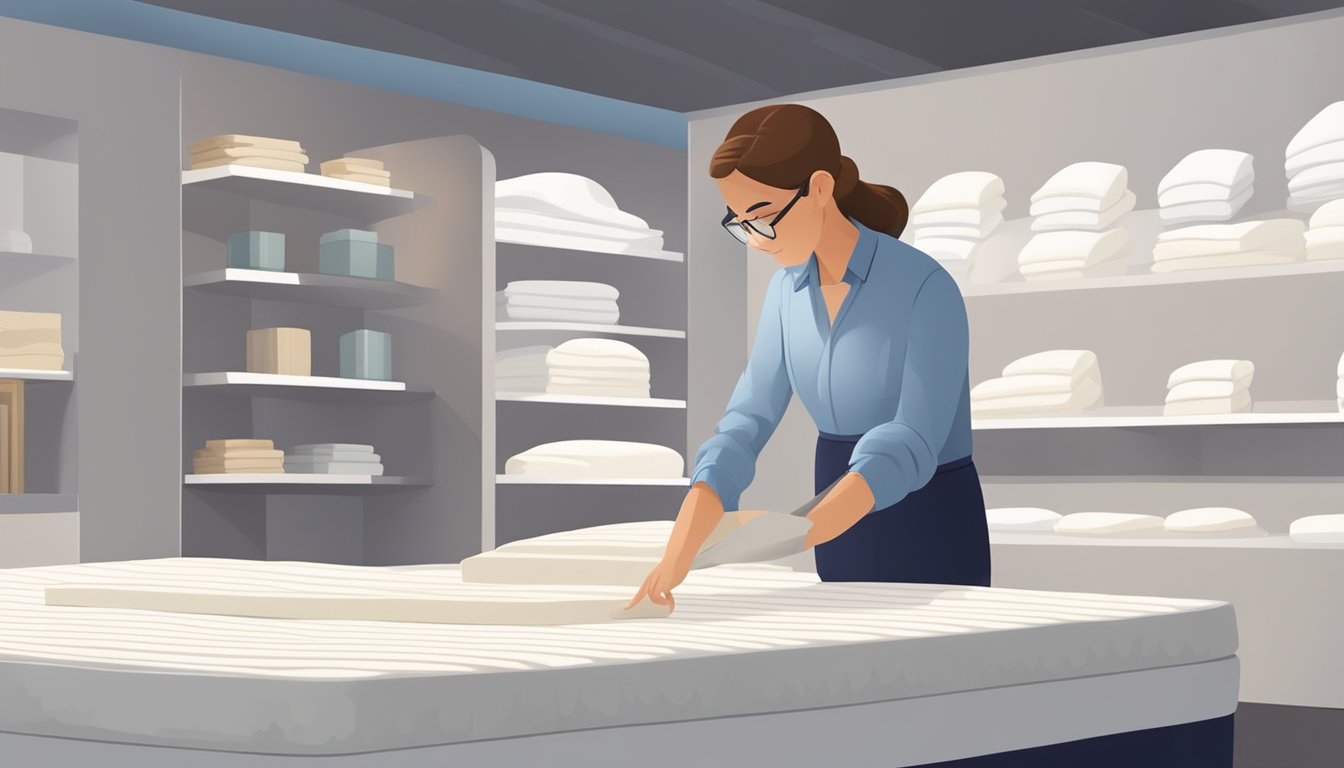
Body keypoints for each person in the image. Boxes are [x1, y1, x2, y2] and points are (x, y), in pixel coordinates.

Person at [627, 103, 988, 613]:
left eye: (764, 217)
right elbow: (745, 424)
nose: (753, 241)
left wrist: (792, 533)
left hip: (925, 516)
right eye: (739, 223)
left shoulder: (926, 287)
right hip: (836, 513)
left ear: (819, 189)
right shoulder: (785, 293)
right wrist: (682, 546)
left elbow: (912, 439)